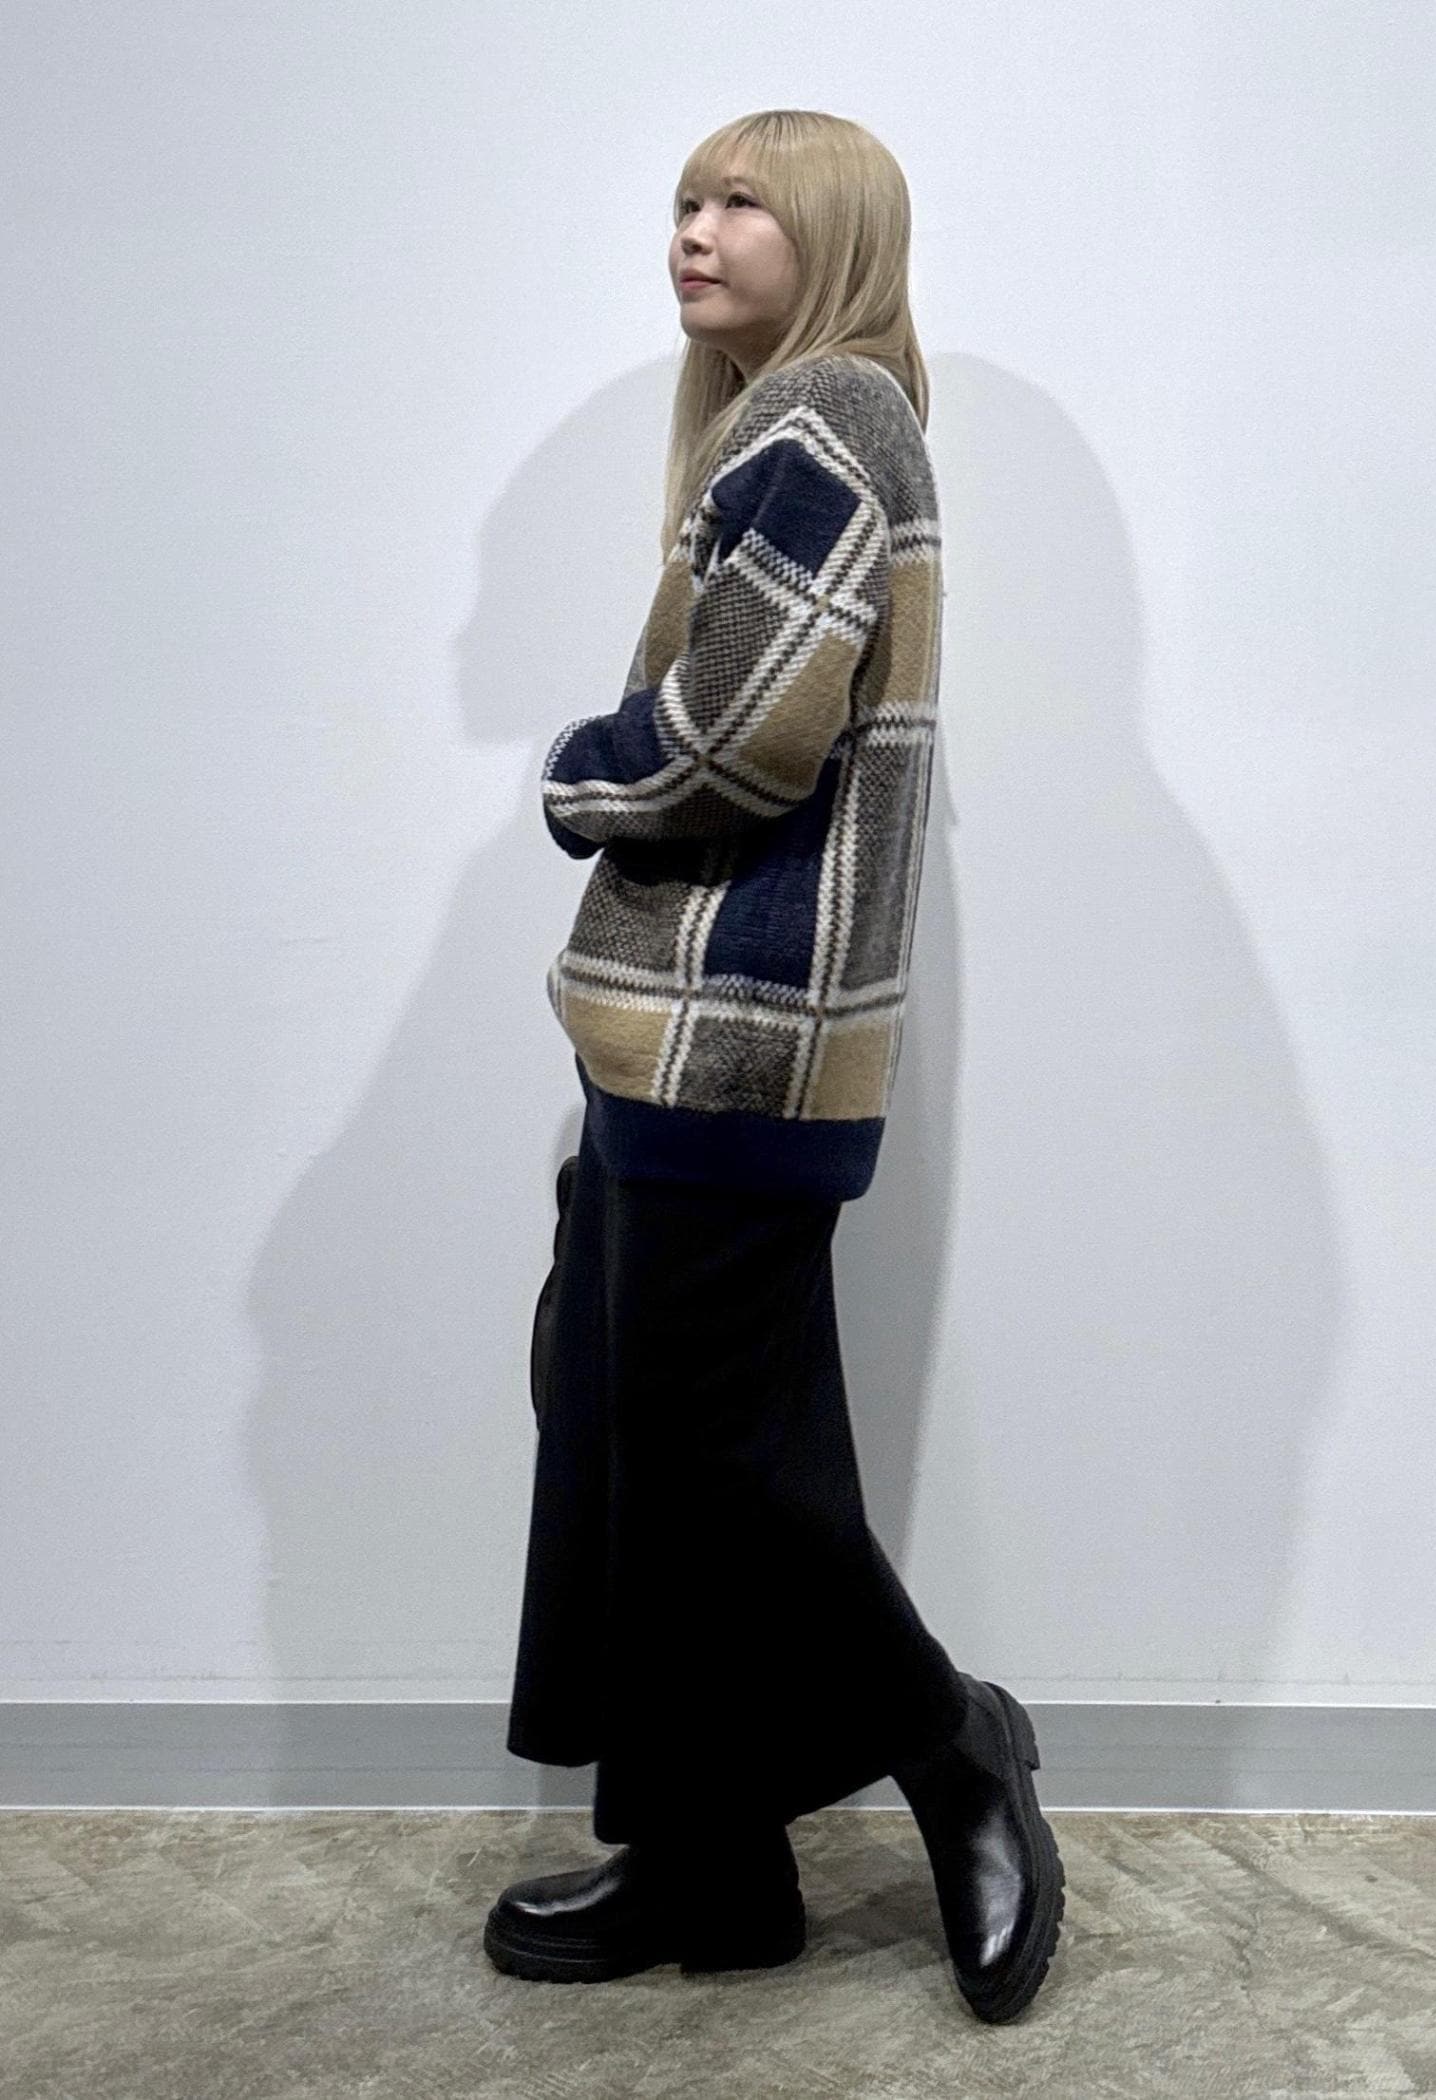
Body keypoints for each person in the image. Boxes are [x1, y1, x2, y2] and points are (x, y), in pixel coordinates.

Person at [485, 108, 1065, 2026]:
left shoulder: (823, 414)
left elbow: (737, 740)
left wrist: (572, 772)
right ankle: (714, 1866)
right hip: (690, 1035)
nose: (696, 230)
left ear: (836, 237)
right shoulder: (787, 422)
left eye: (743, 203)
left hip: (735, 1036)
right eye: (684, 199)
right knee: (654, 1449)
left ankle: (952, 1736)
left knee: (714, 1465)